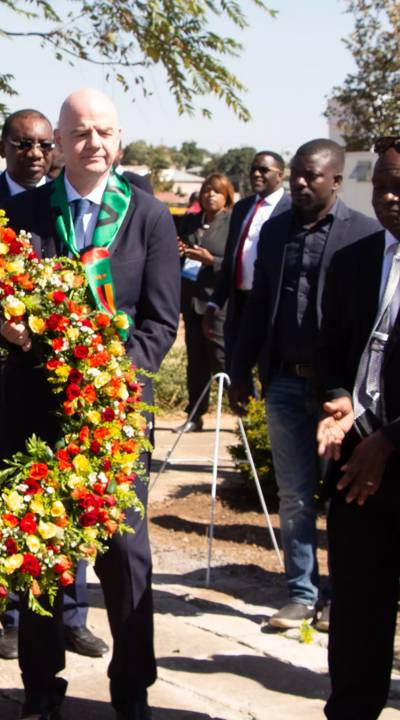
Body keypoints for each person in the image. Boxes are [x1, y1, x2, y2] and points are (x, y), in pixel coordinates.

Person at [1, 88, 180, 720]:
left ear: (119, 139)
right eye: (80, 134)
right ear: (59, 142)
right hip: (39, 414)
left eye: (105, 132)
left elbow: (160, 324)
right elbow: (3, 302)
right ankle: (41, 687)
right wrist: (9, 327)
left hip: (117, 417)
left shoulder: (149, 217)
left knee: (127, 557)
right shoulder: (24, 213)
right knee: (42, 552)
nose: (94, 144)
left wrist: (106, 381)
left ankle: (131, 687)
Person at [0, 108, 108, 662]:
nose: (37, 154)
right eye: (24, 144)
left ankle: (72, 613)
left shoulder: (71, 204)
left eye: (46, 144)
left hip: (59, 383)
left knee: (72, 496)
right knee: (5, 496)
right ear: (4, 147)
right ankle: (14, 615)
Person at [229, 139, 379, 631]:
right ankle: (300, 591)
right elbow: (256, 308)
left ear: (336, 180)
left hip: (340, 396)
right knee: (294, 494)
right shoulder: (274, 233)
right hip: (285, 384)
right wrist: (242, 367)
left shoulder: (365, 235)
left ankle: (340, 594)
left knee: (342, 496)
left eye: (310, 176)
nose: (298, 183)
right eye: (295, 174)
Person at [315, 137, 400, 720]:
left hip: (390, 450)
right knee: (357, 615)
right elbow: (329, 349)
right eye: (382, 183)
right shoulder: (354, 258)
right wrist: (339, 400)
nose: (390, 197)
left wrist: (392, 440)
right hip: (356, 470)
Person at [204, 151, 290, 364]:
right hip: (239, 303)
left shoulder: (291, 209)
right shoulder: (242, 208)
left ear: (280, 175)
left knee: (267, 370)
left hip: (270, 305)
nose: (257, 174)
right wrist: (214, 303)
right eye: (253, 169)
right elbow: (232, 260)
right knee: (236, 368)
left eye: (264, 170)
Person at [174, 173, 235, 433]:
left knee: (223, 360)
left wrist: (213, 261)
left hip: (218, 303)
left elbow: (238, 263)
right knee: (195, 361)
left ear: (227, 197)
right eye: (207, 190)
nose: (211, 195)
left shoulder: (232, 223)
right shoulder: (190, 222)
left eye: (217, 191)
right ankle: (195, 415)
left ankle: (245, 412)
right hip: (191, 301)